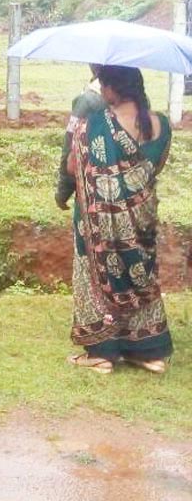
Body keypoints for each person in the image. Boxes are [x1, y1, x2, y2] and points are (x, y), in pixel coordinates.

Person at [65, 65, 173, 375]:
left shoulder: (96, 124)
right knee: (140, 277)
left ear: (112, 87)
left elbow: (74, 168)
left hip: (99, 223)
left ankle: (101, 353)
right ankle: (148, 352)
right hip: (141, 221)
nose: (100, 90)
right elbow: (155, 167)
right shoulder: (161, 125)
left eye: (103, 84)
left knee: (95, 278)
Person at [56, 66, 105, 210]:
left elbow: (71, 147)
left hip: (93, 192)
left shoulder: (89, 100)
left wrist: (63, 190)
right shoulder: (139, 99)